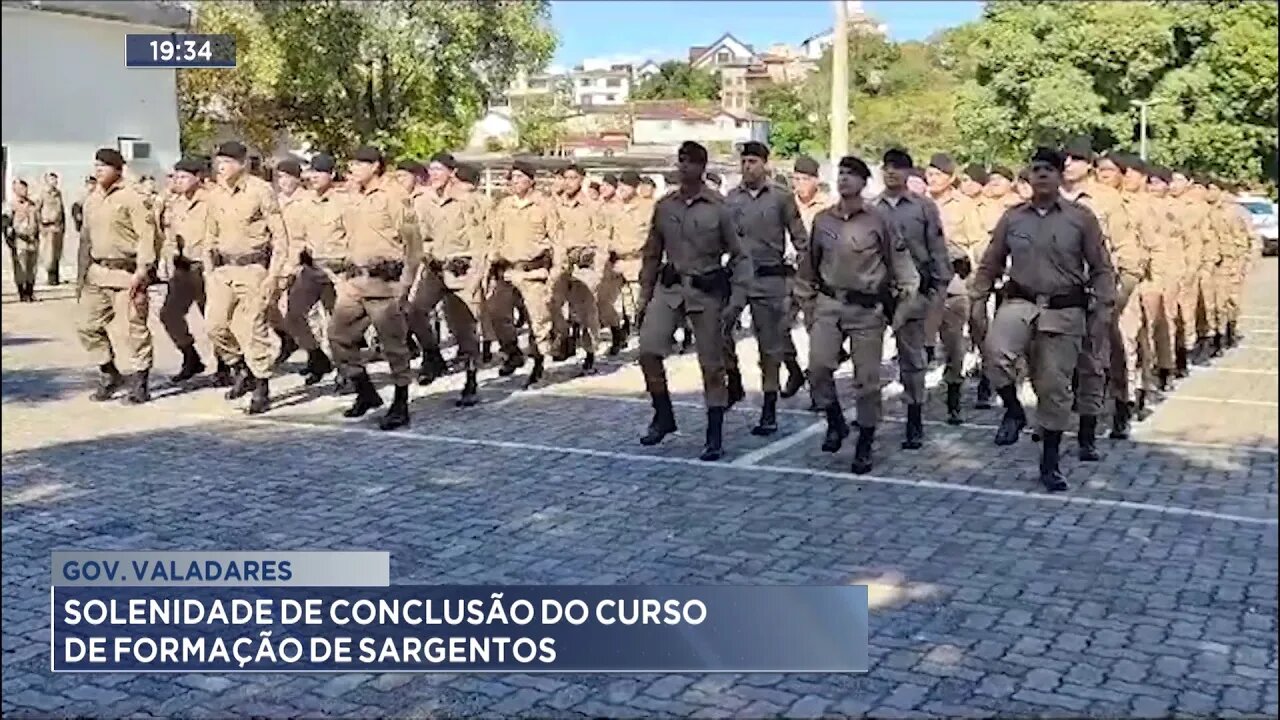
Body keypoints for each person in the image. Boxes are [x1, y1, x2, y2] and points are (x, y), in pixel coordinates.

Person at [970, 147, 1115, 492]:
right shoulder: (1013, 217)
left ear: (1060, 175)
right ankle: (1013, 410)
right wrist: (978, 294)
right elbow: (992, 261)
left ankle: (1050, 461)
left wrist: (1104, 305)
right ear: (1029, 176)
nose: (1042, 175)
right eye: (1036, 169)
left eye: (1049, 169)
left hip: (1063, 310)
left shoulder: (1080, 218)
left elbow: (1100, 266)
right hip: (1019, 301)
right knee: (994, 354)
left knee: (1053, 387)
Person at [636, 141, 752, 460]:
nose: (683, 167)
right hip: (670, 288)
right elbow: (651, 253)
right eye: (681, 161)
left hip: (707, 291)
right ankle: (663, 415)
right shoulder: (665, 206)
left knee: (711, 366)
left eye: (690, 162)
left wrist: (737, 300)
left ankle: (714, 434)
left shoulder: (720, 207)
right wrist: (644, 297)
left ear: (702, 167)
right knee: (648, 350)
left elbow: (741, 257)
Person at [805, 155, 919, 474]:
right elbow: (808, 268)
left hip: (867, 309)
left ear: (864, 182)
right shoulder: (822, 220)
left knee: (867, 382)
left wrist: (900, 313)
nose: (843, 179)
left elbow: (902, 269)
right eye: (840, 174)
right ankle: (835, 421)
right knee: (817, 369)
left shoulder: (879, 220)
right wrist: (810, 306)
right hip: (829, 305)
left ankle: (865, 443)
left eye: (851, 175)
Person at [723, 141, 810, 434]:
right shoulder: (731, 198)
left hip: (769, 278)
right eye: (744, 161)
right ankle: (733, 382)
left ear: (765, 165)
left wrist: (806, 274)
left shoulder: (781, 198)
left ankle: (769, 409)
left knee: (769, 346)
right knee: (719, 330)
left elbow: (800, 238)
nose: (747, 167)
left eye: (753, 162)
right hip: (737, 277)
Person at [329, 146, 419, 429]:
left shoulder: (394, 197)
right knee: (338, 336)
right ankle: (365, 391)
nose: (353, 169)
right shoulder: (349, 197)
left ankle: (401, 403)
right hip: (355, 281)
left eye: (359, 164)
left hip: (385, 284)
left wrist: (406, 284)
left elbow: (413, 244)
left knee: (393, 346)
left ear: (375, 166)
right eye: (351, 163)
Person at [1059, 137, 1136, 461]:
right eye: (1065, 159)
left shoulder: (1108, 201)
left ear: (1088, 163)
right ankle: (1053, 422)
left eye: (1076, 159)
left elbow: (1128, 252)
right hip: (1057, 294)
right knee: (1052, 364)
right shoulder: (1049, 198)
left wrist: (1117, 297)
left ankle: (1096, 426)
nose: (1068, 165)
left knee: (1095, 363)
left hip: (1095, 295)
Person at [872, 149, 952, 449]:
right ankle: (869, 415)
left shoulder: (923, 208)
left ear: (908, 173)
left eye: (898, 168)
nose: (891, 172)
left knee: (912, 360)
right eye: (887, 167)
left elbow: (937, 249)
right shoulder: (871, 208)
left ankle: (914, 417)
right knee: (867, 358)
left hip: (914, 291)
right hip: (877, 291)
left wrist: (938, 290)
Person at [205, 141, 292, 415]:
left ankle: (261, 386)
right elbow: (209, 234)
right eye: (219, 161)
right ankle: (239, 366)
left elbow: (280, 237)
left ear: (242, 164)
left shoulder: (260, 191)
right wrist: (209, 271)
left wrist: (273, 275)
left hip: (253, 268)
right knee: (214, 326)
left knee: (254, 328)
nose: (222, 167)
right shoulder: (215, 193)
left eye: (228, 162)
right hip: (222, 270)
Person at [78, 148, 159, 403]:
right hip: (98, 272)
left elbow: (147, 236)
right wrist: (81, 277)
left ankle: (140, 381)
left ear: (118, 169)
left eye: (104, 166)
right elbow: (85, 240)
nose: (98, 170)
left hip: (127, 273)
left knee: (133, 330)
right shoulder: (92, 199)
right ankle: (109, 372)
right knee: (86, 326)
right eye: (96, 165)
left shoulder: (133, 197)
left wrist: (143, 270)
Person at [411, 161, 490, 406]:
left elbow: (481, 242)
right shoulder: (423, 201)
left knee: (463, 327)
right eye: (431, 171)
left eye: (439, 170)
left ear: (451, 173)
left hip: (462, 271)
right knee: (414, 311)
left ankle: (471, 379)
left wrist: (477, 277)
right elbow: (420, 235)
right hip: (435, 270)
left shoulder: (468, 201)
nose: (434, 175)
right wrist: (425, 253)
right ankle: (432, 355)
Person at [1104, 152, 1167, 435]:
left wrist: (1157, 285)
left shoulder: (1143, 207)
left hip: (1136, 282)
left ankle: (1132, 395)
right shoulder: (1094, 201)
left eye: (1114, 171)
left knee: (1133, 341)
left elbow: (1155, 248)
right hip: (1103, 281)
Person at [488, 161, 560, 387]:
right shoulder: (504, 206)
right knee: (497, 314)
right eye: (512, 177)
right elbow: (495, 238)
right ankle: (512, 352)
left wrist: (556, 273)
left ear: (531, 180)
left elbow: (558, 241)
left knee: (537, 320)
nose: (515, 181)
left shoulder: (545, 206)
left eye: (520, 177)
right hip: (507, 271)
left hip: (534, 271)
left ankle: (538, 363)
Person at [924, 153, 983, 423]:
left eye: (938, 174)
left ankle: (953, 398)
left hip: (953, 283)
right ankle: (914, 396)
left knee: (953, 344)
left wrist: (972, 275)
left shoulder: (964, 205)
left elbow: (978, 243)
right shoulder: (918, 202)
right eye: (930, 173)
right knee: (915, 342)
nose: (932, 179)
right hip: (921, 282)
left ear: (951, 178)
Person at [279, 153, 344, 387]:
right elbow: (297, 239)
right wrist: (289, 268)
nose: (314, 177)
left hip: (338, 271)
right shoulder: (304, 204)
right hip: (311, 269)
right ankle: (317, 357)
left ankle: (345, 370)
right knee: (294, 317)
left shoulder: (345, 202)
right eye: (312, 172)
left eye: (320, 172)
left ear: (332, 174)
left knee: (337, 325)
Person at [159, 157, 217, 383]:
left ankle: (226, 365)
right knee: (169, 315)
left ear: (197, 177)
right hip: (182, 269)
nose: (179, 181)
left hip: (204, 268)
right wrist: (169, 254)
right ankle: (190, 356)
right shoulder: (176, 203)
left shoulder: (210, 201)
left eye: (184, 176)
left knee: (213, 320)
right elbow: (170, 235)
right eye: (176, 176)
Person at [548, 164, 604, 372]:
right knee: (552, 304)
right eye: (566, 177)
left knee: (586, 310)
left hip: (584, 262)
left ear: (581, 179)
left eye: (573, 178)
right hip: (560, 262)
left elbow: (602, 239)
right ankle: (564, 337)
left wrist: (598, 269)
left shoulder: (592, 206)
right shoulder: (553, 206)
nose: (569, 182)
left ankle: (590, 352)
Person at [598, 171, 651, 355]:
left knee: (638, 307)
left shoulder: (648, 208)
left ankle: (644, 346)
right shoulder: (613, 208)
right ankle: (617, 334)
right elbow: (604, 234)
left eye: (626, 186)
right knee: (606, 303)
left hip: (637, 262)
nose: (621, 189)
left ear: (635, 187)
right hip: (616, 262)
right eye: (620, 186)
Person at [1142, 166, 1186, 390]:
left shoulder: (1178, 208)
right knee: (1145, 324)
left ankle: (1167, 366)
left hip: (1171, 269)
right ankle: (1147, 369)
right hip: (1146, 271)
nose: (1153, 187)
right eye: (1150, 182)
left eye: (1158, 182)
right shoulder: (1140, 205)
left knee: (1166, 319)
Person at [8, 179, 39, 301]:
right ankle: (22, 293)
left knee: (32, 267)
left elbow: (37, 220)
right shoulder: (11, 205)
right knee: (21, 267)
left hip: (32, 239)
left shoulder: (31, 204)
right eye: (20, 188)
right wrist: (11, 240)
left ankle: (30, 291)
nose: (24, 191)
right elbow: (7, 224)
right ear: (15, 190)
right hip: (19, 240)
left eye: (25, 188)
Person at [36, 172, 66, 285]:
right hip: (47, 227)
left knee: (57, 253)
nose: (54, 182)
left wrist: (63, 226)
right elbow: (37, 210)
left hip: (57, 227)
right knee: (49, 253)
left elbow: (61, 210)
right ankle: (50, 276)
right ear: (47, 181)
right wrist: (40, 226)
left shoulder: (58, 194)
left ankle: (56, 276)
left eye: (55, 180)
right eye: (52, 179)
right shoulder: (43, 194)